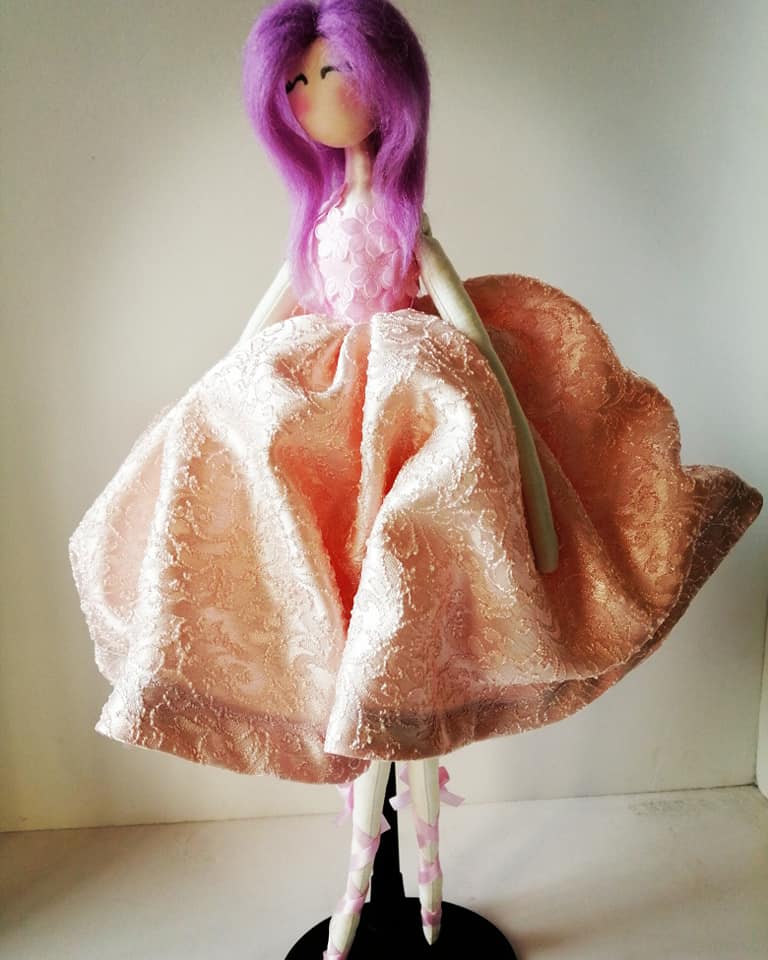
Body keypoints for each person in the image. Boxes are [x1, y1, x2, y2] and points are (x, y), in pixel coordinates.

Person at [69, 2, 762, 957]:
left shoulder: (401, 217)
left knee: (409, 651)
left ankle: (423, 894)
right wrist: (216, 392)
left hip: (410, 407)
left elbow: (464, 322)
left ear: (386, 81)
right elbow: (270, 311)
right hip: (330, 419)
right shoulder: (318, 218)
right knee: (350, 645)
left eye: (330, 73)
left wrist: (525, 459)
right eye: (296, 82)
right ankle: (358, 891)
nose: (311, 96)